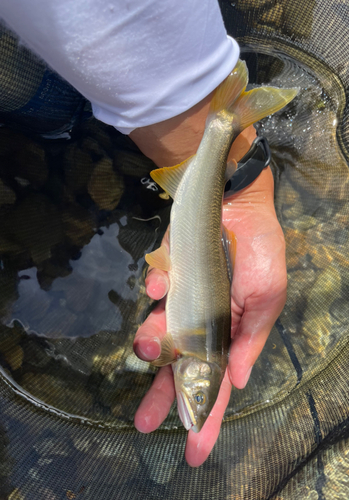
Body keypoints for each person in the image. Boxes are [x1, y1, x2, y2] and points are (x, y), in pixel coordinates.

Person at [0, 0, 287, 467]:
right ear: (196, 369)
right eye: (197, 400)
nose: (190, 408)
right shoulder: (185, 350)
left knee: (42, 94)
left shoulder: (186, 350)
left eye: (194, 403)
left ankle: (66, 108)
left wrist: (246, 187)